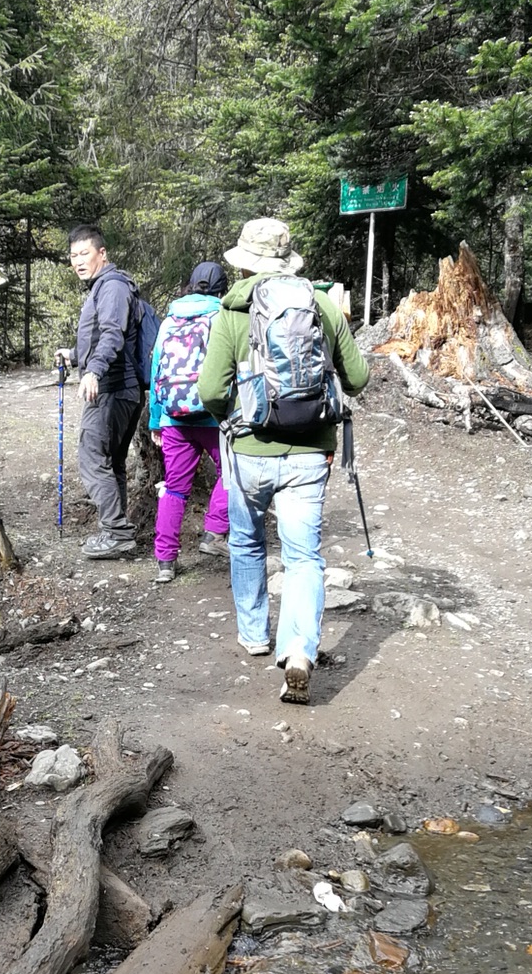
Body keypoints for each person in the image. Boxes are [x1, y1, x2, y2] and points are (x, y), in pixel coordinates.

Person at [197, 216, 368, 705]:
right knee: (302, 557)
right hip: (311, 454)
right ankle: (298, 652)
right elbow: (358, 378)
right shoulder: (322, 306)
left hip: (248, 452)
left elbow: (211, 389)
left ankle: (254, 634)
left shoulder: (231, 312)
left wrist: (229, 414)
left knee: (247, 542)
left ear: (245, 263)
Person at [147, 261, 231, 585]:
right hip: (213, 416)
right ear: (223, 288)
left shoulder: (170, 320)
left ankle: (165, 561)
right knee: (232, 474)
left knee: (174, 487)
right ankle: (213, 533)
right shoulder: (222, 317)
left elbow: (156, 371)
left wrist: (156, 420)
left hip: (173, 418)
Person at [69, 223, 143, 559]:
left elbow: (113, 334)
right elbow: (109, 338)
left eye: (85, 253)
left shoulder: (111, 287)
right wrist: (73, 356)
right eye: (73, 255)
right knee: (111, 462)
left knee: (92, 457)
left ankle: (117, 532)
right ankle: (117, 531)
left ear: (102, 253)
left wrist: (94, 370)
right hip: (121, 387)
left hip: (112, 387)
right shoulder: (106, 286)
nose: (78, 261)